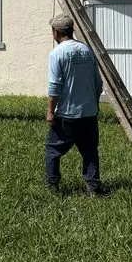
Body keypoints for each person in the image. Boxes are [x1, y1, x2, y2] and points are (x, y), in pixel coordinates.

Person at [45, 13, 110, 197]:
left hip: (67, 114)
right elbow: (98, 84)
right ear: (72, 30)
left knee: (53, 150)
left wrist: (50, 111)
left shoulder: (57, 53)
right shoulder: (87, 50)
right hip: (89, 113)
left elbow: (55, 86)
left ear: (56, 32)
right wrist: (93, 104)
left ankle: (52, 186)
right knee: (90, 151)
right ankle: (93, 187)